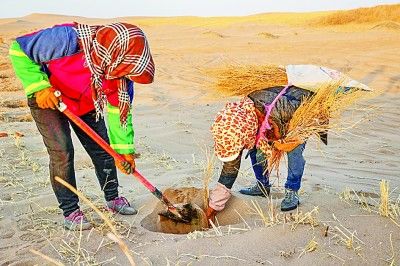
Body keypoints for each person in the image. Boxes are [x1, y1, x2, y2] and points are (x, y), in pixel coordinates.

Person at [9, 22, 155, 230]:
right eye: (126, 64)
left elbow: (118, 114)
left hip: (86, 102)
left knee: (103, 149)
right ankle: (71, 212)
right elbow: (19, 50)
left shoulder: (122, 76)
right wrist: (39, 86)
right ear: (116, 51)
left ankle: (113, 199)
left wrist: (124, 151)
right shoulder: (68, 39)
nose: (127, 72)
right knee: (62, 153)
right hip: (49, 99)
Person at [206, 65, 370, 223]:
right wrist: (216, 203)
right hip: (266, 119)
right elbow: (231, 166)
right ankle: (262, 187)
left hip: (296, 115)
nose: (239, 148)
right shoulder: (239, 118)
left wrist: (281, 144)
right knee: (257, 150)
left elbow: (305, 126)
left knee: (294, 153)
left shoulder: (286, 109)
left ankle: (292, 191)